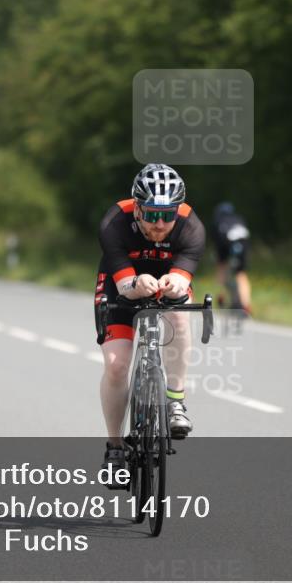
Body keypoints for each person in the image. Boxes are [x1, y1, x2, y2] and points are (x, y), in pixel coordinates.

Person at [95, 163, 205, 473]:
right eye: (152, 215)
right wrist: (134, 283)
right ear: (138, 209)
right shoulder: (115, 221)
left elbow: (184, 277)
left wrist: (177, 283)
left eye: (167, 215)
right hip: (122, 282)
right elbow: (124, 285)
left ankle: (175, 400)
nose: (159, 224)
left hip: (167, 281)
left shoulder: (191, 225)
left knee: (180, 318)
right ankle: (115, 448)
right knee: (117, 365)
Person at [211, 202, 253, 315]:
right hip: (244, 244)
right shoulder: (238, 218)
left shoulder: (219, 221)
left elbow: (220, 245)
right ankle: (245, 305)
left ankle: (221, 298)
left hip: (227, 243)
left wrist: (221, 261)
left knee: (222, 269)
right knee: (241, 274)